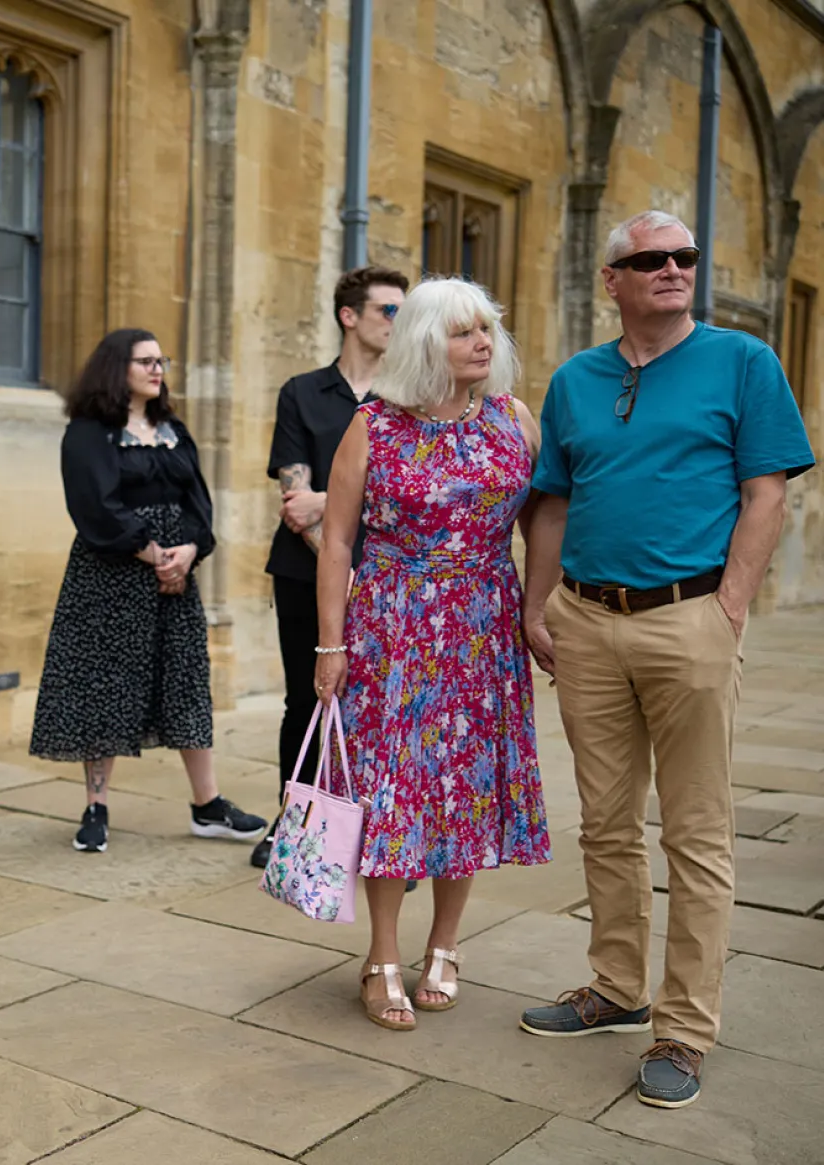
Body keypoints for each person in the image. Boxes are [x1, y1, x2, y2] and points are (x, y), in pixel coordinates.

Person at [518, 210, 814, 1109]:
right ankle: (615, 986)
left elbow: (767, 494)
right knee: (605, 821)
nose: (673, 269)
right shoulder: (576, 380)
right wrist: (540, 604)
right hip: (588, 620)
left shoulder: (744, 363)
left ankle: (683, 1029)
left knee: (696, 834)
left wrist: (729, 606)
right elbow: (553, 504)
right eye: (650, 259)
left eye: (684, 256)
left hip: (688, 618)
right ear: (613, 279)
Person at [314, 277, 551, 1033]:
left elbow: (547, 519)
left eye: (487, 329)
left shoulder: (514, 419)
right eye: (462, 331)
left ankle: (444, 944)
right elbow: (339, 538)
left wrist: (538, 608)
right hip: (393, 633)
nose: (483, 342)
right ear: (424, 342)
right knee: (392, 793)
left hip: (483, 631)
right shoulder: (374, 426)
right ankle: (383, 954)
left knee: (467, 791)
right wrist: (330, 643)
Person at [29, 328, 267, 854]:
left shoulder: (172, 429)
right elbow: (95, 506)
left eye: (161, 360)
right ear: (117, 369)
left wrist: (188, 551)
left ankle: (208, 804)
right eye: (145, 361)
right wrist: (153, 553)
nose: (158, 369)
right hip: (111, 577)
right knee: (107, 683)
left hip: (175, 580)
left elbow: (198, 502)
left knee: (185, 681)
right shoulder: (89, 433)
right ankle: (96, 806)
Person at [255, 265, 409, 869]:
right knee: (307, 702)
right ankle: (293, 831)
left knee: (383, 710)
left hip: (387, 581)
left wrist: (333, 500)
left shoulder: (406, 401)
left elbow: (405, 494)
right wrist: (338, 567)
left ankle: (381, 835)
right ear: (350, 316)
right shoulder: (301, 392)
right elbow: (297, 505)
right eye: (387, 310)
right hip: (304, 574)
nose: (398, 321)